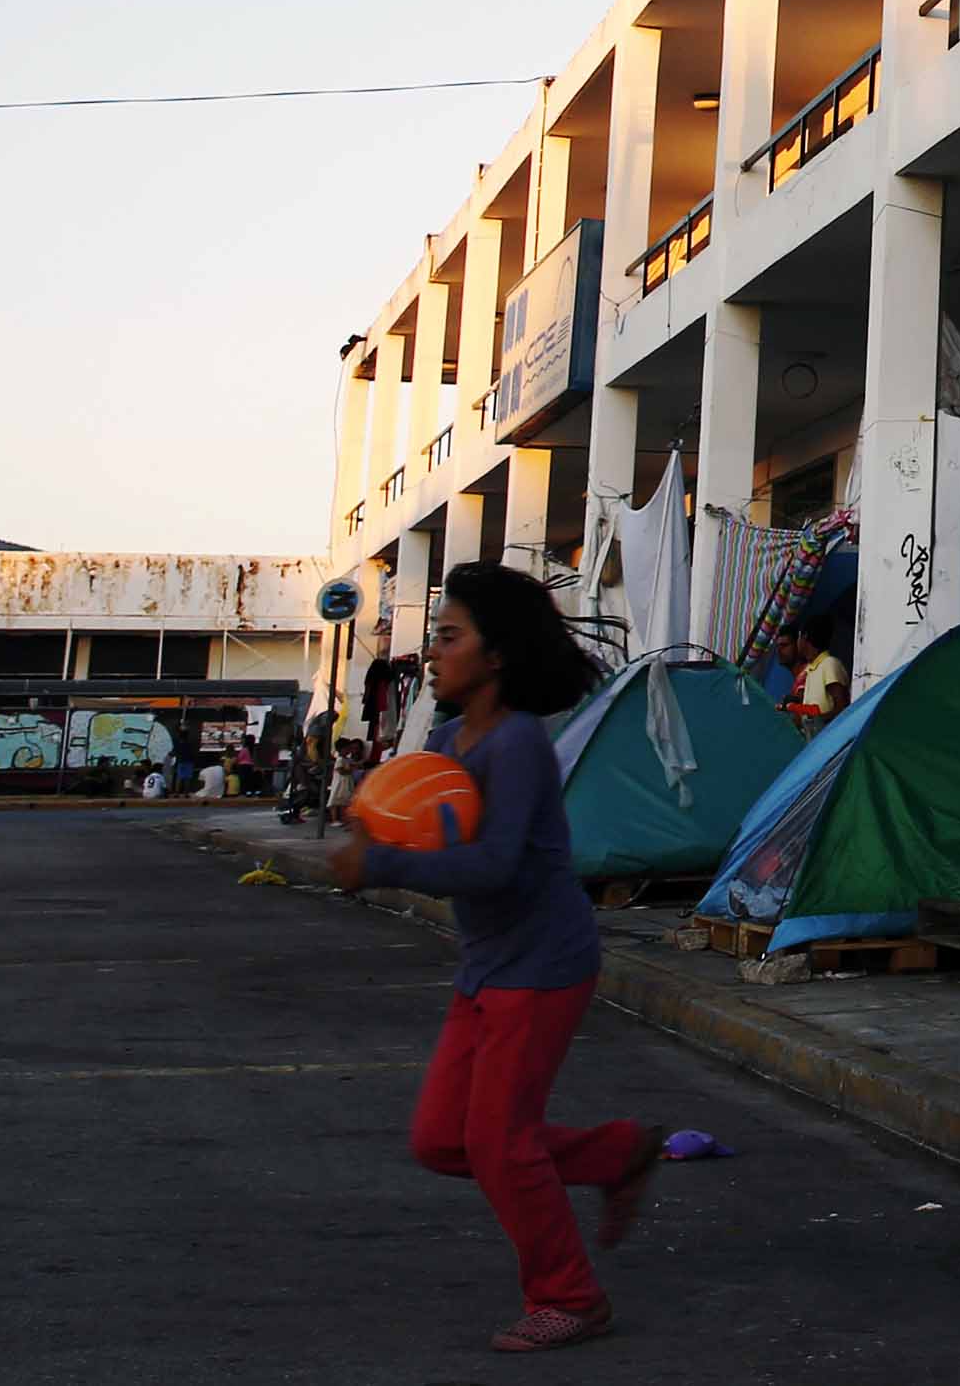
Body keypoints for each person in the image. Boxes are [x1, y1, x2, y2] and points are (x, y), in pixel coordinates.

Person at [328, 562, 662, 1351]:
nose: (432, 652)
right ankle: (619, 1151)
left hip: (542, 964)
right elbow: (427, 825)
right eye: (434, 637)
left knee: (501, 1143)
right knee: (442, 1139)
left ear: (497, 653)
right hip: (486, 964)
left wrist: (380, 864)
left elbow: (492, 865)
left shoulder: (517, 744)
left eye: (449, 637)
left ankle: (571, 1297)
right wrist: (375, 824)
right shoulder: (448, 740)